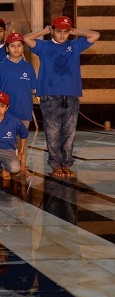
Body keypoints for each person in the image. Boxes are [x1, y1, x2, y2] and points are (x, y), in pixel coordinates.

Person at [24, 16, 100, 178]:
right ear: (53, 31)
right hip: (50, 95)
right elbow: (27, 39)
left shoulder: (75, 45)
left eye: (66, 32)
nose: (62, 35)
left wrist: (75, 31)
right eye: (59, 31)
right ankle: (55, 164)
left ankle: (66, 163)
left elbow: (95, 35)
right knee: (53, 132)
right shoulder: (44, 46)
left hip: (71, 94)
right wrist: (44, 31)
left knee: (69, 133)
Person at [0, 32, 37, 128]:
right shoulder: (0, 67)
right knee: (6, 136)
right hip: (6, 113)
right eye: (12, 46)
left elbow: (33, 89)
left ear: (23, 48)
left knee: (23, 136)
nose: (16, 48)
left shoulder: (28, 67)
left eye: (19, 45)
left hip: (24, 111)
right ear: (7, 49)